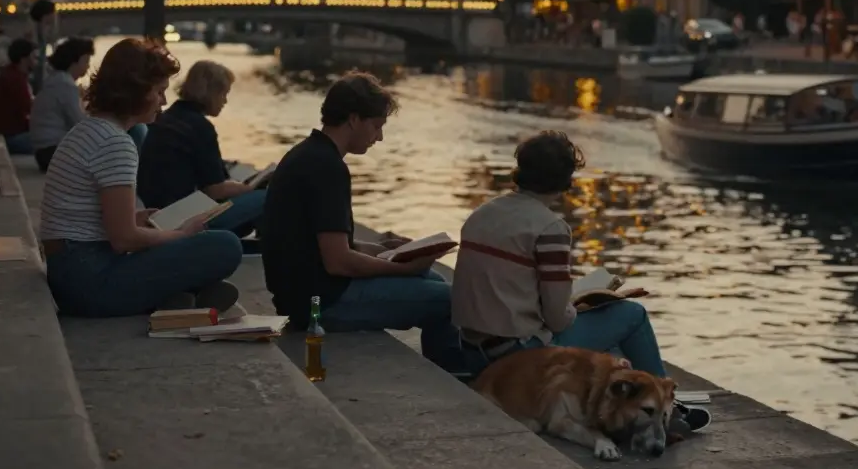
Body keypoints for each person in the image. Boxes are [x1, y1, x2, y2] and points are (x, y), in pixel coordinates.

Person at [451, 130, 709, 431]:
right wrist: (577, 305)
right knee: (631, 316)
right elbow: (558, 321)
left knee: (609, 351)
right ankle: (668, 406)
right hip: (516, 356)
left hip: (471, 349)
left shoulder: (482, 213)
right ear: (566, 180)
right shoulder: (550, 228)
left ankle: (639, 404)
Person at [260, 71, 459, 368]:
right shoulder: (328, 168)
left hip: (301, 294)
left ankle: (449, 365)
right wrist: (401, 269)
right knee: (450, 299)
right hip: (319, 304)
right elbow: (338, 262)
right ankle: (456, 372)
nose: (379, 137)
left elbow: (326, 243)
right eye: (377, 126)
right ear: (354, 119)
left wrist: (385, 249)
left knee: (430, 278)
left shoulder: (308, 154)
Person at [38, 38, 243, 318]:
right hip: (90, 281)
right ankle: (180, 294)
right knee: (225, 246)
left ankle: (177, 297)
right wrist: (181, 234)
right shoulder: (115, 143)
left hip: (70, 271)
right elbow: (123, 239)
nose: (164, 101)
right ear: (135, 91)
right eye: (159, 91)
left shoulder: (88, 130)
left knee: (189, 244)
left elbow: (92, 221)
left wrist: (138, 218)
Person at [137, 60, 266, 237]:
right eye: (224, 94)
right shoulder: (200, 126)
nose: (225, 101)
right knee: (265, 197)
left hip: (158, 211)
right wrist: (252, 188)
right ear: (211, 93)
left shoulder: (168, 118)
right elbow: (214, 189)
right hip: (184, 218)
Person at [30, 37, 95, 172]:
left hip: (44, 152)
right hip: (53, 153)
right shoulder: (65, 85)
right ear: (74, 62)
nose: (88, 66)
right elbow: (80, 123)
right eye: (86, 61)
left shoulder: (56, 79)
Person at [0, 38, 38, 155]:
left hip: (9, 133)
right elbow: (27, 112)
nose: (36, 60)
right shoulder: (15, 80)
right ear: (24, 59)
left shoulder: (13, 74)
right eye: (33, 57)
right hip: (12, 137)